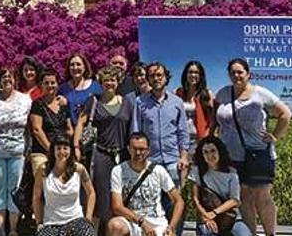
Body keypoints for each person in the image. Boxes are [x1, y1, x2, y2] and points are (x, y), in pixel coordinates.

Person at [214, 58, 292, 236]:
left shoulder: (260, 93)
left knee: (262, 197)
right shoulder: (223, 94)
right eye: (233, 72)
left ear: (248, 74)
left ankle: (270, 234)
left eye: (240, 72)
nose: (236, 75)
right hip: (231, 156)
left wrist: (275, 136)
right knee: (245, 198)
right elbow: (215, 118)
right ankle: (251, 234)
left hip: (258, 154)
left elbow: (285, 114)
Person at [73, 67, 134, 232]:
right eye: (106, 80)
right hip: (101, 154)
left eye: (113, 80)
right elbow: (80, 122)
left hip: (122, 155)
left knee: (122, 196)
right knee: (102, 197)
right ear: (101, 82)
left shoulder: (127, 102)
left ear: (118, 82)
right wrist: (76, 146)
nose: (109, 83)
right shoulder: (94, 101)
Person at [132, 62, 188, 236]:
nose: (156, 79)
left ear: (166, 78)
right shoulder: (140, 102)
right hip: (150, 162)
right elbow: (136, 132)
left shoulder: (177, 102)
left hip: (172, 161)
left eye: (159, 75)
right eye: (152, 76)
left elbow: (182, 132)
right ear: (148, 79)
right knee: (151, 204)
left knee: (174, 203)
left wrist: (184, 157)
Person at [105, 133, 184, 236]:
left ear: (148, 150)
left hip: (157, 221)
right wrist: (142, 222)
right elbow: (117, 206)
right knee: (114, 225)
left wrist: (172, 227)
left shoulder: (158, 170)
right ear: (129, 149)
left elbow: (179, 201)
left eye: (142, 149)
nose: (138, 152)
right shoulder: (118, 171)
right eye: (134, 149)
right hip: (132, 220)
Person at [0, 68, 32, 236]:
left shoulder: (25, 99)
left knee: (14, 189)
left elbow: (30, 127)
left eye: (10, 76)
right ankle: (1, 228)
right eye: (3, 77)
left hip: (17, 152)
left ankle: (13, 229)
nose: (7, 79)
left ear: (15, 79)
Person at [32, 135, 96, 236]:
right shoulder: (43, 170)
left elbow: (91, 193)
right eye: (58, 148)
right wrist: (39, 222)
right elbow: (36, 197)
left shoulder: (79, 169)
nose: (62, 152)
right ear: (53, 150)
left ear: (70, 151)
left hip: (76, 219)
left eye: (65, 148)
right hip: (51, 222)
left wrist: (88, 217)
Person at [188, 137, 251, 236]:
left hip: (230, 217)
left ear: (220, 152)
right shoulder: (197, 171)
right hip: (207, 216)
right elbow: (195, 199)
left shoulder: (231, 173)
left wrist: (215, 212)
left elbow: (235, 200)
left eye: (213, 151)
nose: (210, 155)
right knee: (206, 231)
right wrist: (206, 216)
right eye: (206, 152)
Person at [29, 69, 74, 176]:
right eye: (46, 83)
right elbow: (37, 130)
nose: (50, 85)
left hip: (62, 150)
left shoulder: (63, 103)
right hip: (43, 151)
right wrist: (51, 150)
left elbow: (69, 128)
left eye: (53, 82)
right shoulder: (37, 104)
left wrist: (68, 147)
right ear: (41, 85)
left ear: (57, 84)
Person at [175, 61, 214, 154]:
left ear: (201, 75)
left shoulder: (207, 94)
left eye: (196, 72)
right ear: (186, 74)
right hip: (179, 141)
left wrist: (205, 139)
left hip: (199, 141)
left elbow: (212, 120)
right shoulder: (178, 93)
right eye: (190, 72)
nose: (193, 75)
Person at [59, 53, 102, 124]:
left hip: (89, 131)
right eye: (72, 65)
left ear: (84, 67)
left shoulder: (95, 87)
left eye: (78, 64)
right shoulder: (62, 89)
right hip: (69, 130)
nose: (75, 67)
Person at [126, 63, 151, 133]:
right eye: (135, 76)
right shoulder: (129, 98)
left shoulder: (158, 95)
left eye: (141, 75)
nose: (139, 78)